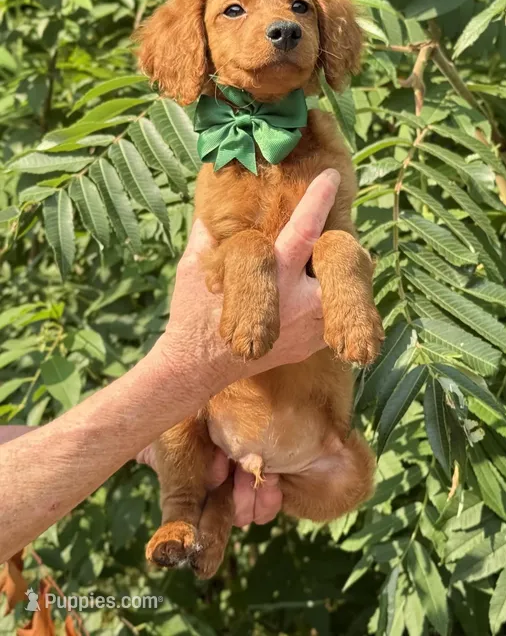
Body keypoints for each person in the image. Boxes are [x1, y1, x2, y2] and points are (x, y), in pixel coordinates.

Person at [0, 169, 341, 563]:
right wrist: (188, 369)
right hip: (229, 406)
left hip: (301, 428)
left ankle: (208, 511)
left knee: (342, 485)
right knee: (185, 438)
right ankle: (180, 510)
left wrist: (144, 434)